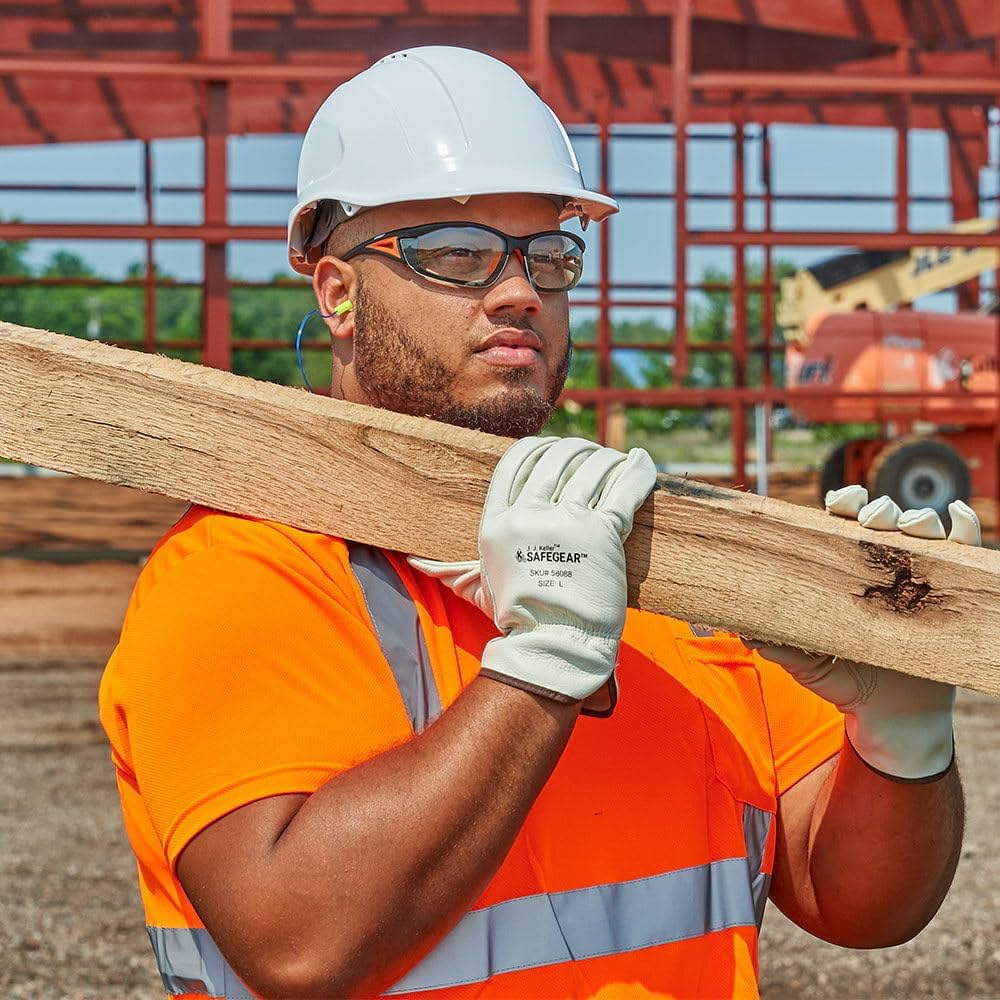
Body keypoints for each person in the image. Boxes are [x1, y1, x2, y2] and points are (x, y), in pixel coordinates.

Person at [100, 46, 975, 1000]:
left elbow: (857, 901)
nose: (519, 289)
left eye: (547, 258)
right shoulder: (245, 570)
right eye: (458, 253)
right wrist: (545, 663)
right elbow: (299, 943)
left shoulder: (654, 560)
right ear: (338, 293)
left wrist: (898, 740)